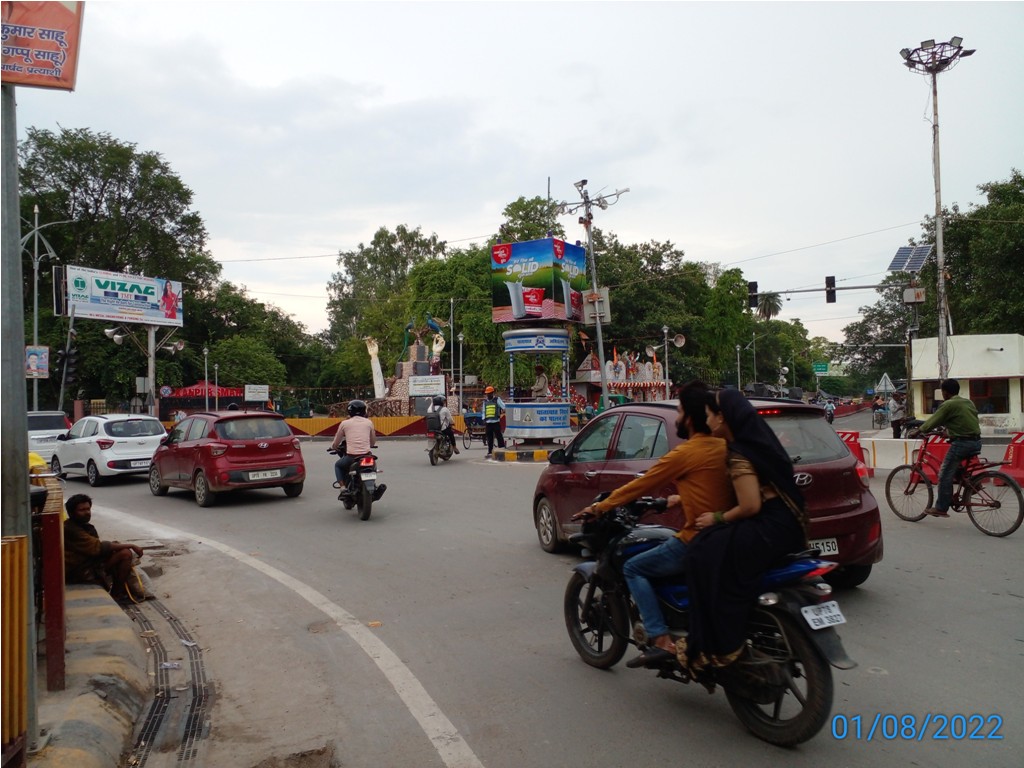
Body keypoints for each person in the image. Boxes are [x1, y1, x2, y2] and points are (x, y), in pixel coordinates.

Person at [572, 381, 734, 668]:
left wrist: (599, 507)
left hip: (697, 539)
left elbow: (641, 484)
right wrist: (679, 498)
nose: (679, 417)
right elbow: (712, 488)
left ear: (692, 418)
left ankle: (660, 638)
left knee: (634, 567)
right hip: (727, 537)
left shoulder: (685, 453)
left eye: (681, 411)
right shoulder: (724, 447)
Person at [680, 389, 809, 675]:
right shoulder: (762, 444)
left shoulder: (739, 453)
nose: (708, 419)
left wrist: (716, 517)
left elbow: (750, 506)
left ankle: (718, 646)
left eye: (711, 414)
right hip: (789, 526)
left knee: (701, 551)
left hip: (768, 528)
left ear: (723, 417)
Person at [912, 379, 981, 518]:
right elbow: (965, 422)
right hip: (976, 442)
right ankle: (972, 485)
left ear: (945, 392)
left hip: (962, 443)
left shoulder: (948, 404)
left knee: (943, 474)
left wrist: (918, 431)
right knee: (955, 467)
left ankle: (941, 508)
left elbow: (933, 421)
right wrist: (949, 433)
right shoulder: (968, 402)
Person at [63, 494, 144, 602]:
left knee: (118, 550)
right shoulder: (71, 529)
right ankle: (116, 594)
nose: (87, 512)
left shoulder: (83, 526)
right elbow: (98, 547)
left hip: (87, 564)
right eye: (82, 510)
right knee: (125, 554)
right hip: (79, 572)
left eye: (88, 509)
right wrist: (131, 545)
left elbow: (96, 547)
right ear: (71, 513)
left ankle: (118, 592)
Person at [330, 399, 386, 500]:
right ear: (364, 411)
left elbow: (336, 442)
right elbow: (373, 442)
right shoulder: (369, 423)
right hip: (367, 456)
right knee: (373, 466)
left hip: (352, 457)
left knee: (338, 465)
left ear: (349, 411)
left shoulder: (344, 423)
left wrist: (334, 447)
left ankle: (342, 488)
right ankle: (373, 485)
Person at [482, 386, 506, 458]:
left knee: (499, 436)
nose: (488, 395)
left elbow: (504, 407)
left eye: (489, 393)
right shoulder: (485, 402)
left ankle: (502, 448)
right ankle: (490, 451)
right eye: (487, 394)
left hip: (496, 421)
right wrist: (483, 419)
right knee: (489, 438)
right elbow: (484, 411)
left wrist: (502, 411)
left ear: (492, 393)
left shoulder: (497, 400)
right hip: (488, 422)